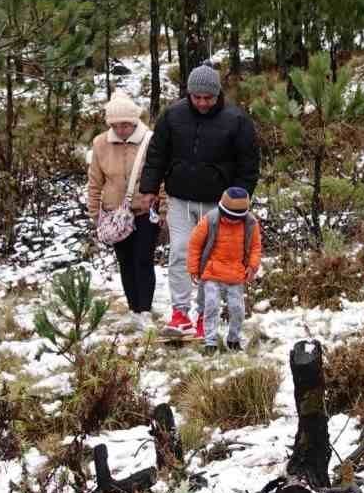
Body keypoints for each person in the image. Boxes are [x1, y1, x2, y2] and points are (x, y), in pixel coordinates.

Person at [132, 64, 260, 339]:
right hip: (179, 199)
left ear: (217, 95)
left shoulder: (237, 121)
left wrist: (240, 199)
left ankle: (205, 315)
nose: (202, 102)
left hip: (219, 205)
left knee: (210, 259)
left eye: (208, 98)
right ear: (188, 93)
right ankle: (180, 314)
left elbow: (248, 165)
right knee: (179, 252)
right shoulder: (172, 116)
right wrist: (149, 188)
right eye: (196, 97)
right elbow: (157, 154)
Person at [87, 90, 160, 323]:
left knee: (143, 260)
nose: (121, 129)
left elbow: (163, 178)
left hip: (145, 211)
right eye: (115, 125)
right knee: (126, 262)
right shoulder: (100, 143)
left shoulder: (151, 140)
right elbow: (94, 182)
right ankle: (133, 309)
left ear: (135, 120)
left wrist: (164, 211)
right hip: (114, 216)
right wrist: (94, 214)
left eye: (126, 124)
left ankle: (145, 310)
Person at [185, 187, 261, 351]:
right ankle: (210, 341)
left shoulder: (250, 223)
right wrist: (193, 268)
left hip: (236, 274)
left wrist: (252, 266)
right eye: (230, 217)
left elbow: (255, 247)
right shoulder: (210, 220)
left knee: (238, 309)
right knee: (210, 305)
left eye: (238, 218)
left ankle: (234, 339)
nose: (234, 221)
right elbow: (195, 244)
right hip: (212, 273)